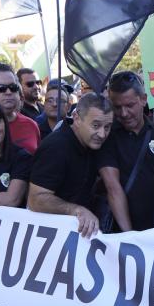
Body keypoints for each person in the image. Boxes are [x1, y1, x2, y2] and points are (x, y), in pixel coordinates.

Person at [26, 92, 113, 237]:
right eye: (95, 125)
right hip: (48, 235)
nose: (102, 134)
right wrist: (76, 210)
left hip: (77, 235)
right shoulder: (56, 147)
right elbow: (36, 199)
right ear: (77, 118)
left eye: (107, 127)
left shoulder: (92, 143)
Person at [98, 71, 154, 232]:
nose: (124, 113)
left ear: (143, 99)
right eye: (117, 107)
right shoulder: (107, 137)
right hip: (124, 232)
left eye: (130, 105)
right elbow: (112, 187)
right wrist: (129, 235)